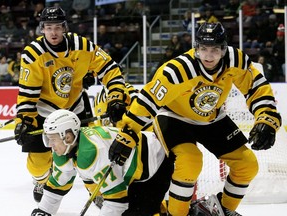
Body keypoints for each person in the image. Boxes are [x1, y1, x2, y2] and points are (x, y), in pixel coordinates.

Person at [108, 22, 282, 216]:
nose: (209, 55)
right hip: (173, 117)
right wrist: (127, 135)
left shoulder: (236, 61)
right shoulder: (177, 70)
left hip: (211, 118)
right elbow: (147, 101)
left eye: (215, 49)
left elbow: (256, 87)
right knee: (190, 161)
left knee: (247, 165)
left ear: (224, 49)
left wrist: (267, 118)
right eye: (204, 49)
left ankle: (221, 211)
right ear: (196, 48)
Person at [14, 6, 127, 204]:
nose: (53, 32)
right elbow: (27, 93)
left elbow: (110, 69)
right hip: (44, 110)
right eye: (48, 27)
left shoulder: (82, 45)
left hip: (75, 107)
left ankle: (96, 190)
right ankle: (41, 180)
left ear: (65, 27)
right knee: (38, 164)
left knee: (90, 150)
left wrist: (116, 97)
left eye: (57, 27)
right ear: (42, 29)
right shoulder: (33, 54)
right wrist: (24, 120)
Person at [31, 109, 173, 216]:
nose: (50, 145)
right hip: (136, 170)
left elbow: (116, 200)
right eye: (47, 139)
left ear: (67, 137)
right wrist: (43, 211)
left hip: (156, 163)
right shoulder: (65, 149)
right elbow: (57, 186)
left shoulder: (92, 152)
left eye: (52, 139)